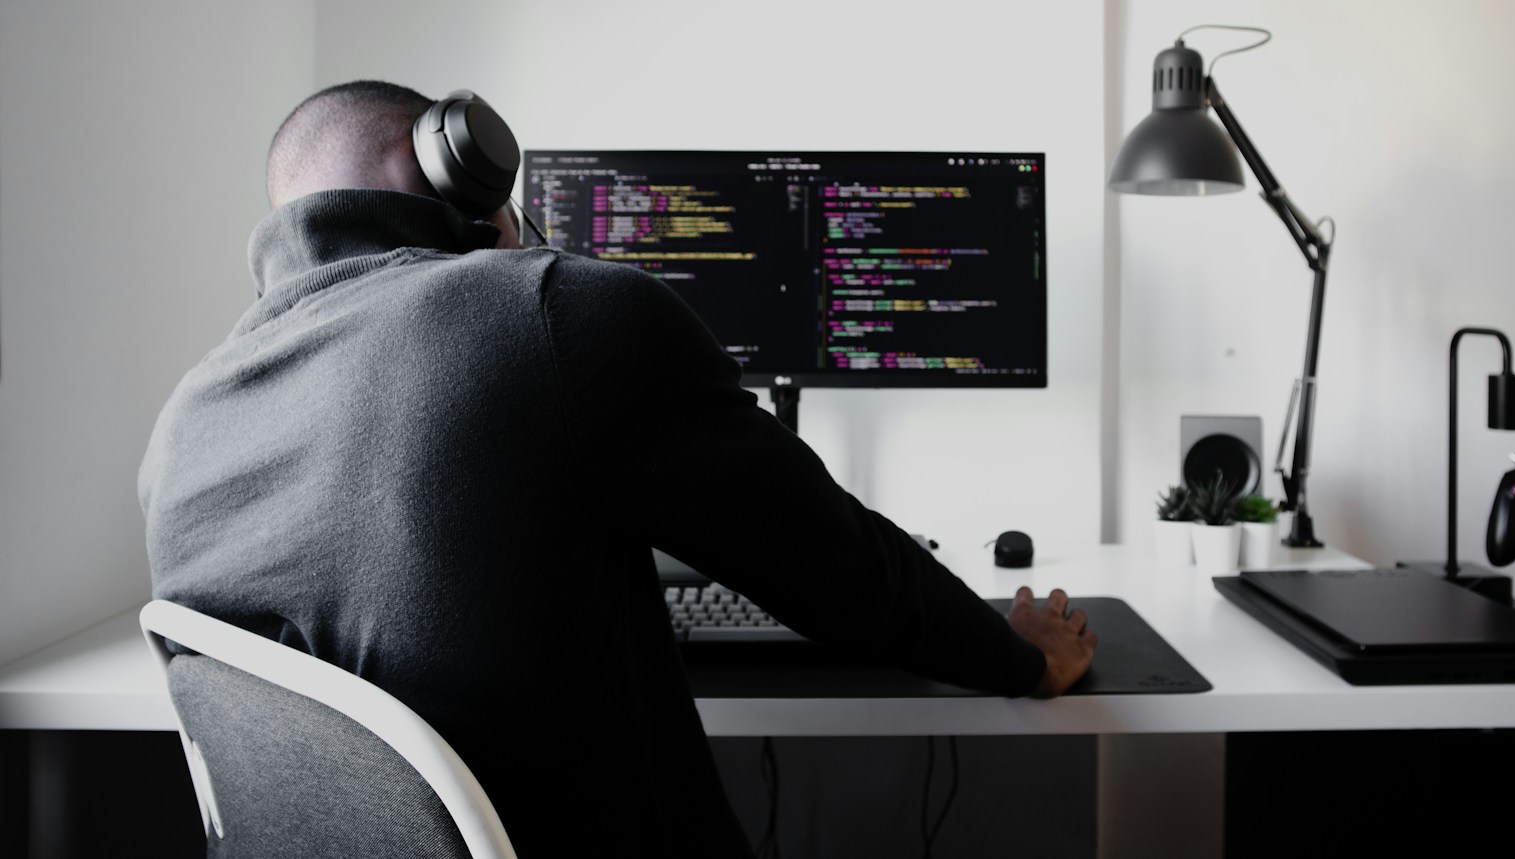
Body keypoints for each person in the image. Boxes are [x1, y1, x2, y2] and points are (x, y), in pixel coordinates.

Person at [138, 80, 1097, 855]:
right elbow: (835, 567)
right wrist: (1018, 652)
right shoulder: (551, 311)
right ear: (464, 170)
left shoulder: (180, 427)